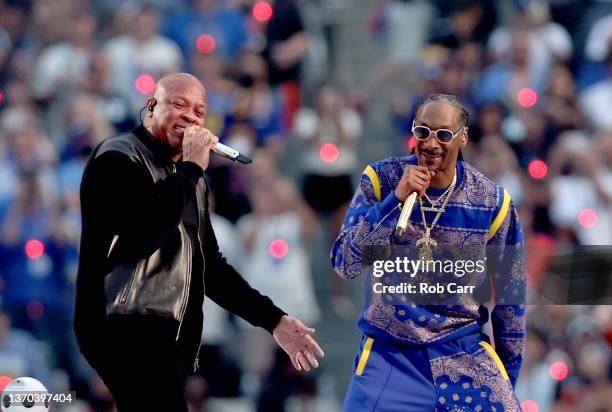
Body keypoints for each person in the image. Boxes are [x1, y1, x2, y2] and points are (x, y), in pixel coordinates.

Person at [73, 73, 324, 411]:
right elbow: (144, 233)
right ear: (151, 107)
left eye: (199, 111)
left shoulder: (192, 181)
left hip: (167, 333)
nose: (191, 116)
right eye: (179, 104)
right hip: (122, 322)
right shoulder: (117, 157)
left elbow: (211, 268)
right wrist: (190, 169)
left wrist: (273, 320)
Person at [331, 93, 526, 411]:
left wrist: (506, 381)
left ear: (463, 137)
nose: (431, 143)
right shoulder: (381, 181)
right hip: (390, 353)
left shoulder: (493, 201)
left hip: (463, 350)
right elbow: (345, 263)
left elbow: (510, 302)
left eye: (444, 134)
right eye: (422, 131)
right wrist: (394, 201)